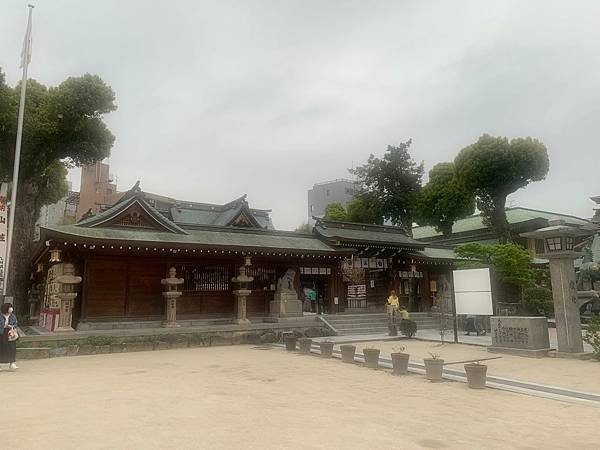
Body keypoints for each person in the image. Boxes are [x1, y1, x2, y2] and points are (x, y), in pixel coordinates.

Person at [0, 302, 18, 370]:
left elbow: (16, 323)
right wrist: (4, 325)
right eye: (9, 307)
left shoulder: (12, 316)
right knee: (1, 348)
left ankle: (12, 363)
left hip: (10, 333)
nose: (11, 309)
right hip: (1, 333)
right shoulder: (0, 315)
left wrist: (12, 326)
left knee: (12, 347)